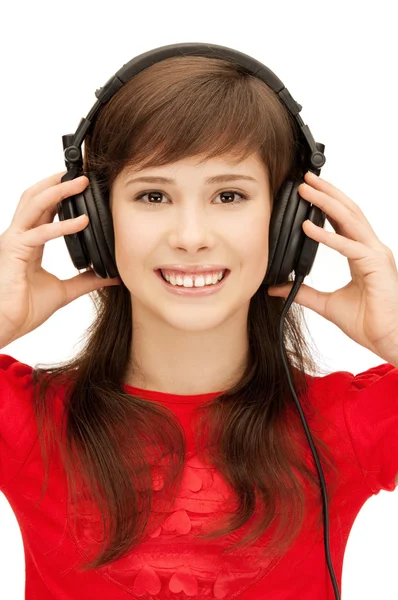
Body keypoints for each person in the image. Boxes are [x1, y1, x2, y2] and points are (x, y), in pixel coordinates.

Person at [1, 53, 398, 600]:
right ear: (96, 220)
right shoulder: (30, 424)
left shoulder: (342, 426)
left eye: (229, 196)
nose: (191, 236)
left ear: (289, 224)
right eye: (153, 196)